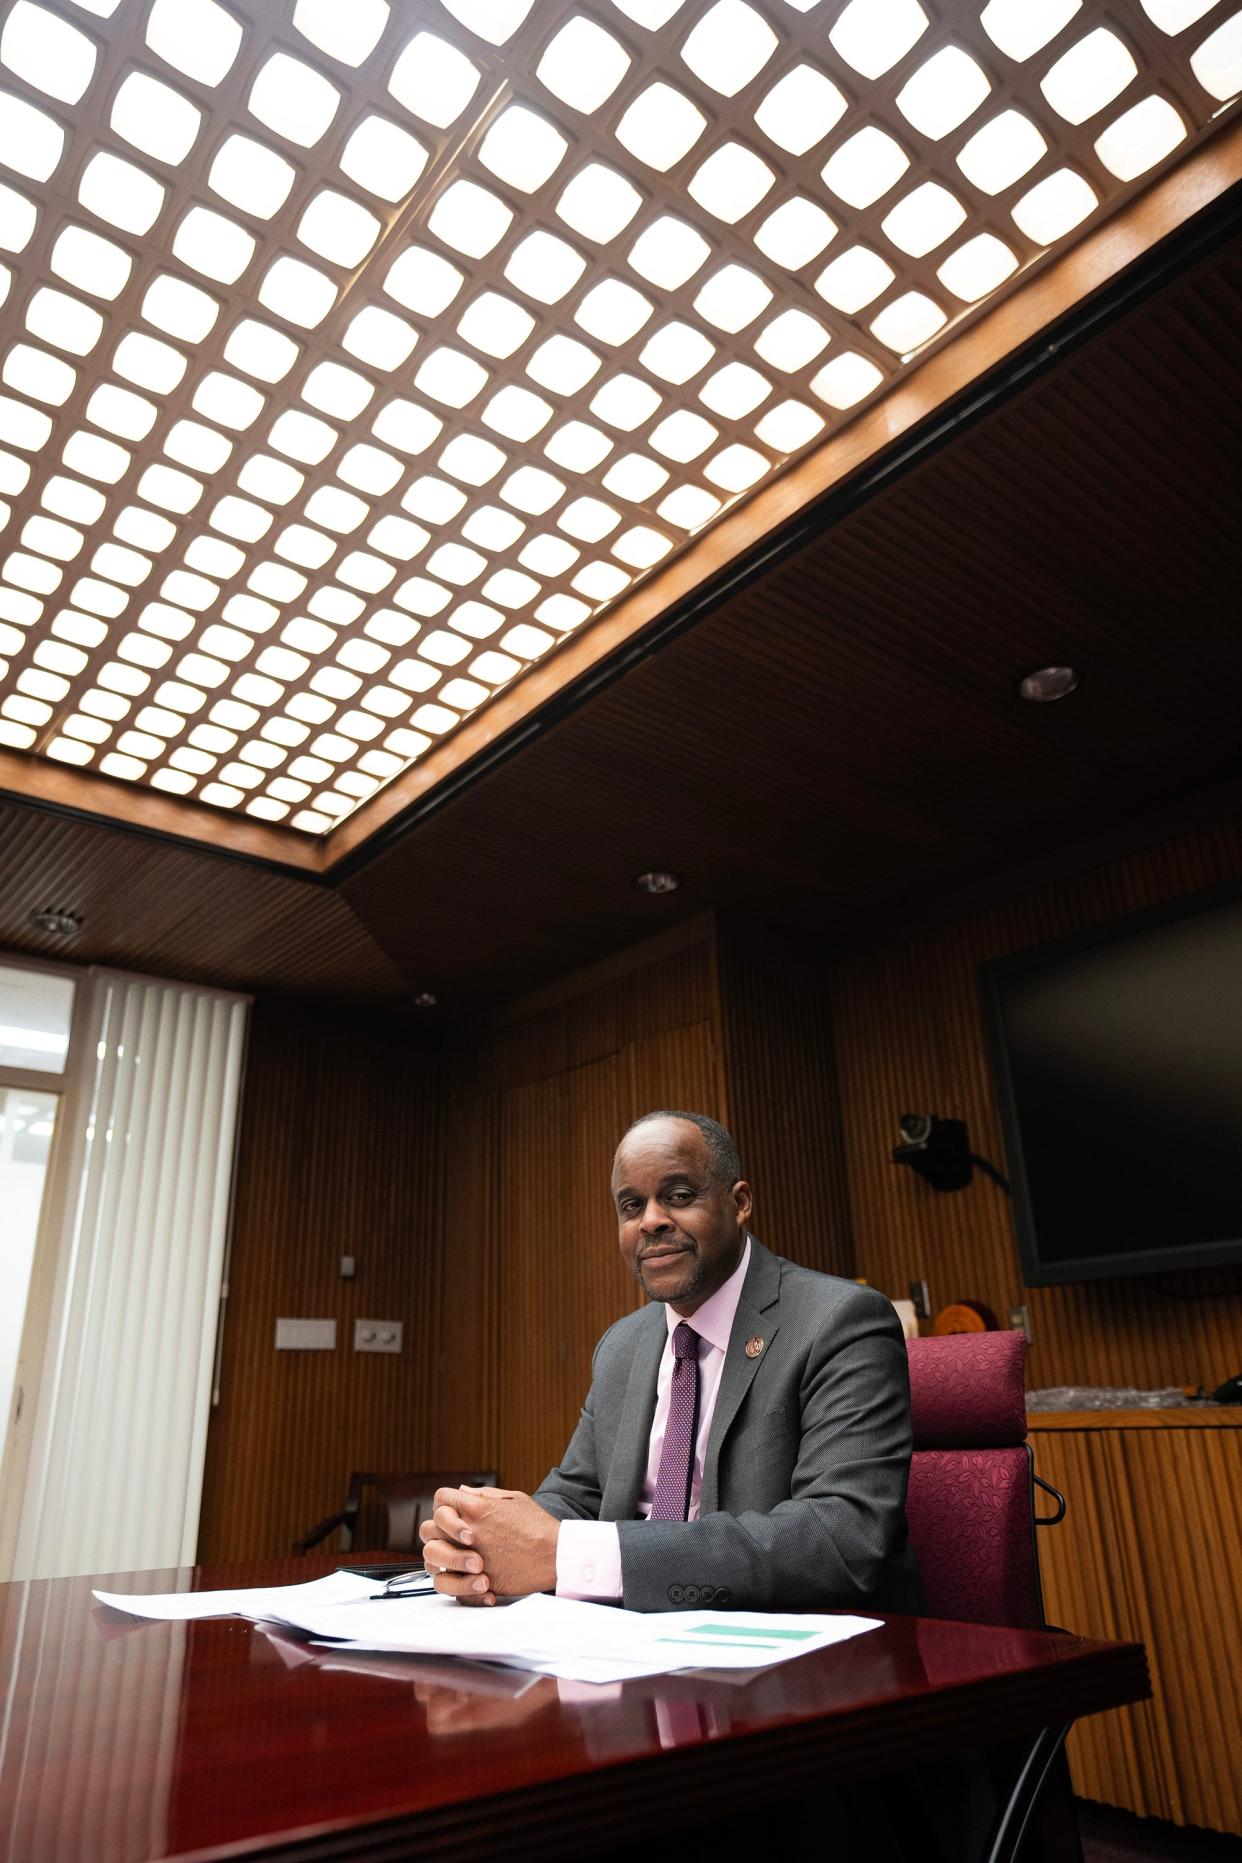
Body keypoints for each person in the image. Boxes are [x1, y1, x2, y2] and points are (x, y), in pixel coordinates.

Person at [419, 1110, 922, 1614]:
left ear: (739, 1202)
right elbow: (575, 1499)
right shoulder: (622, 1345)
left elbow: (841, 1539)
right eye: (631, 1205)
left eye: (679, 1196)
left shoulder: (838, 1321)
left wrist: (572, 1556)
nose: (651, 1220)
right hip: (635, 1646)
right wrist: (479, 1541)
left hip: (805, 1655)